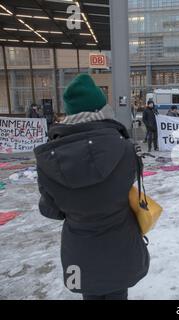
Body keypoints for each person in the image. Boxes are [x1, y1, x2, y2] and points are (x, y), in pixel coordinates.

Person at [34, 74, 149, 300]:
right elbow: (129, 185)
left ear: (68, 113)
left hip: (80, 252)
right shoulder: (125, 149)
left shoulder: (47, 159)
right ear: (100, 109)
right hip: (121, 247)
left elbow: (51, 210)